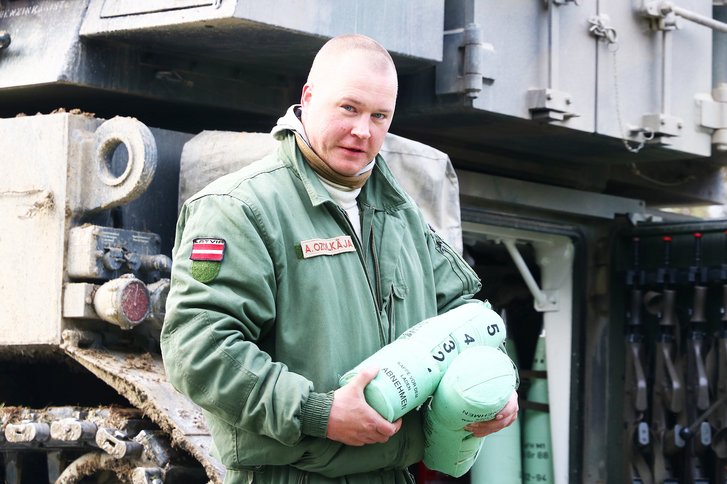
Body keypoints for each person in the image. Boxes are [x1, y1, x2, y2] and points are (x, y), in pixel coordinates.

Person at [161, 34, 518, 484]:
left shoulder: (400, 216)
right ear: (308, 99)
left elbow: (467, 317)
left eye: (379, 115)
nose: (363, 131)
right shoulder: (241, 208)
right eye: (349, 108)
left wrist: (497, 384)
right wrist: (319, 412)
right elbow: (200, 349)